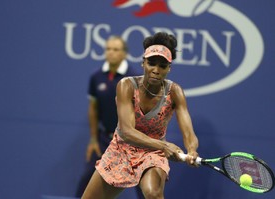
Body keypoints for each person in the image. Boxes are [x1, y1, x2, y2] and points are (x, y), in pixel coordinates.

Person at [81, 32, 200, 199]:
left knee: (153, 193)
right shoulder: (126, 86)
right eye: (151, 63)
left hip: (152, 153)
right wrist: (164, 146)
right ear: (143, 63)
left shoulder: (175, 92)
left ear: (169, 68)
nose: (156, 70)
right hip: (121, 149)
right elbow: (126, 132)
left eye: (162, 66)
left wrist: (192, 150)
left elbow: (188, 132)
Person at [75, 36, 144, 198]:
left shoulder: (136, 79)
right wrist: (93, 139)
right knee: (87, 180)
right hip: (105, 140)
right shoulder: (96, 77)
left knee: (144, 186)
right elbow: (93, 109)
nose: (111, 53)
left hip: (131, 141)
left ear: (124, 54)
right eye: (108, 49)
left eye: (116, 49)